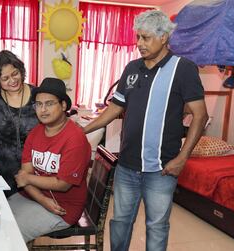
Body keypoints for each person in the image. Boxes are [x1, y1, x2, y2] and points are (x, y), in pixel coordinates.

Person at [83, 10, 209, 251]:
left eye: (146, 38)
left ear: (164, 38)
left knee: (157, 226)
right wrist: (84, 131)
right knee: (120, 222)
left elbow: (200, 115)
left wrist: (182, 158)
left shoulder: (183, 69)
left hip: (161, 170)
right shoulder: (131, 68)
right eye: (138, 37)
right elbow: (114, 108)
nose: (139, 43)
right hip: (127, 166)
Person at [8, 77, 91, 242]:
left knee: (11, 235)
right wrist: (42, 199)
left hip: (63, 208)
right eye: (38, 104)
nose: (43, 110)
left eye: (49, 103)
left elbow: (62, 184)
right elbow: (25, 177)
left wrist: (26, 178)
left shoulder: (75, 138)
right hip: (35, 197)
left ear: (63, 106)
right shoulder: (35, 133)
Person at [0, 50, 39, 197]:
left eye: (15, 74)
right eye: (5, 78)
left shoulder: (38, 95)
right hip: (2, 168)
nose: (12, 80)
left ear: (21, 70)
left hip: (36, 169)